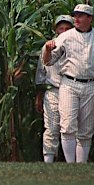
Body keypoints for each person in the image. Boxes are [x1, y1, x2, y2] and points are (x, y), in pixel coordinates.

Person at [44, 4, 94, 163]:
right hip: (69, 83)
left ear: (90, 18)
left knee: (86, 130)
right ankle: (71, 164)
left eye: (81, 15)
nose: (76, 18)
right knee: (67, 126)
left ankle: (82, 165)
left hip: (92, 84)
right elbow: (49, 62)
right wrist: (48, 50)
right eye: (75, 15)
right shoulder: (65, 36)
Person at [35, 15, 73, 163]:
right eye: (61, 28)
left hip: (71, 89)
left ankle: (73, 162)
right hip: (53, 90)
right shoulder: (48, 47)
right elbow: (41, 72)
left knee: (70, 127)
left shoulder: (78, 45)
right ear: (56, 29)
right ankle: (48, 160)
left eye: (67, 28)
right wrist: (39, 94)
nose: (63, 31)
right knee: (51, 127)